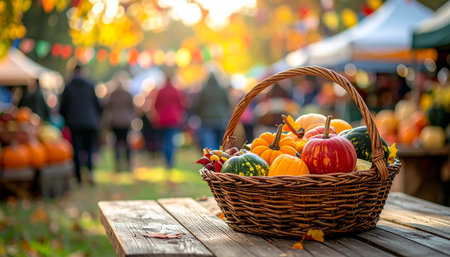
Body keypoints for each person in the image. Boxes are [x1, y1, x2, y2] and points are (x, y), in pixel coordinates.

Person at [60, 64, 102, 185]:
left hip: (74, 122)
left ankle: (78, 176)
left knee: (76, 149)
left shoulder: (68, 87)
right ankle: (90, 172)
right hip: (90, 122)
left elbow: (63, 106)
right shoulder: (90, 85)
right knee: (89, 148)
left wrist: (66, 118)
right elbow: (97, 104)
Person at [103, 71, 135, 172]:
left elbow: (108, 107)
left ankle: (118, 164)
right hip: (125, 121)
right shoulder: (128, 94)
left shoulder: (112, 94)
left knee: (117, 143)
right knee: (126, 143)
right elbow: (132, 107)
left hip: (115, 121)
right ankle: (128, 164)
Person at [153, 75, 186, 169]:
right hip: (173, 119)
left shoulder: (161, 91)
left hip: (162, 119)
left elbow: (156, 105)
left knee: (164, 140)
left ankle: (166, 159)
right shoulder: (176, 91)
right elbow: (182, 104)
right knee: (170, 140)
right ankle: (170, 160)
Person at [193, 72, 230, 150]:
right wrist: (224, 113)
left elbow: (198, 105)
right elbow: (227, 103)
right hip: (221, 118)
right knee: (220, 141)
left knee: (209, 142)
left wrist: (200, 115)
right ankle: (220, 156)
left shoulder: (204, 90)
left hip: (207, 119)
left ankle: (212, 158)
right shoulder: (222, 89)